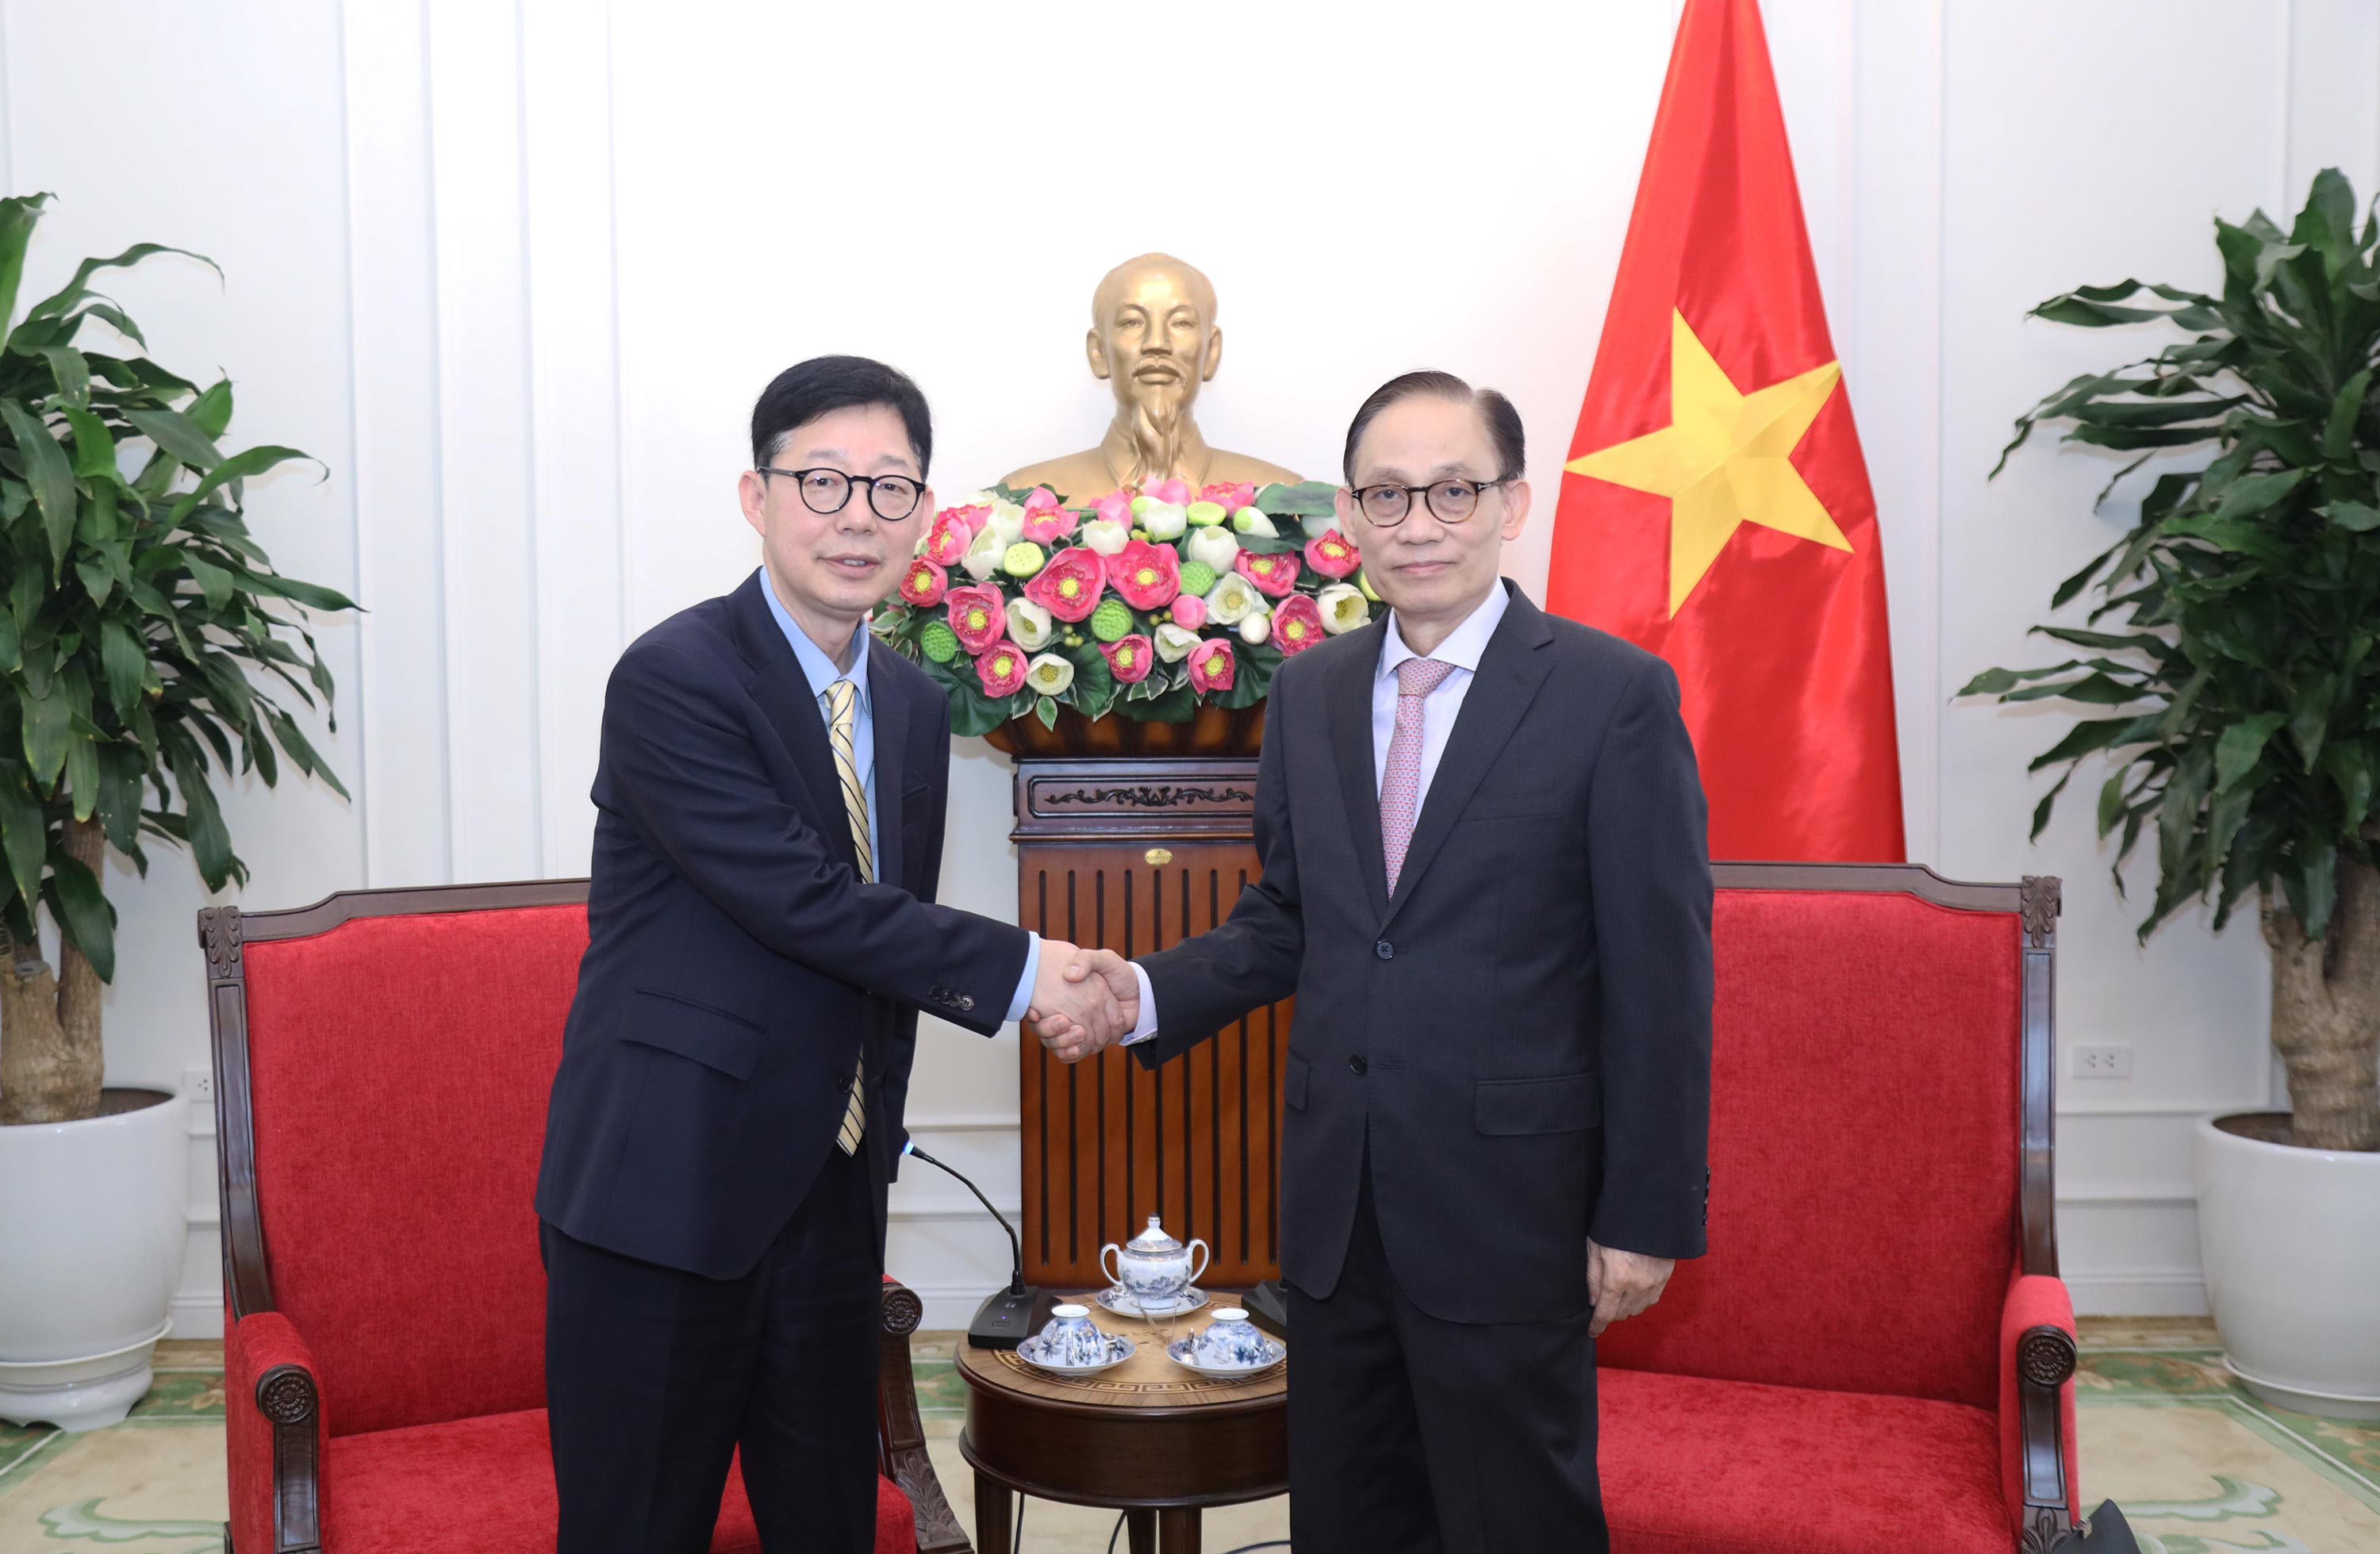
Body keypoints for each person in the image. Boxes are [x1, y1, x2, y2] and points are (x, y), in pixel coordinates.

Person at [1041, 371, 1714, 1553]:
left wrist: (1644, 1214)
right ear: (1348, 516)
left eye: (1453, 491)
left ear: (1512, 503)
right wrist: (1140, 994)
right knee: (1349, 1523)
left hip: (1514, 1212)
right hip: (1335, 1213)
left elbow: (1662, 979)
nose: (1419, 524)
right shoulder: (1311, 690)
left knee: (1517, 1525)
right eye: (1387, 495)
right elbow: (1291, 919)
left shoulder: (1612, 696)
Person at [534, 355, 1127, 1554]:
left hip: (832, 1195)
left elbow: (878, 955)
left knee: (832, 1528)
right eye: (823, 481)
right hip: (668, 1195)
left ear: (924, 512)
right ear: (756, 497)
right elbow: (809, 904)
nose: (857, 516)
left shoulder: (911, 704)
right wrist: (1032, 975)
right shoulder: (675, 678)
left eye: (889, 486)